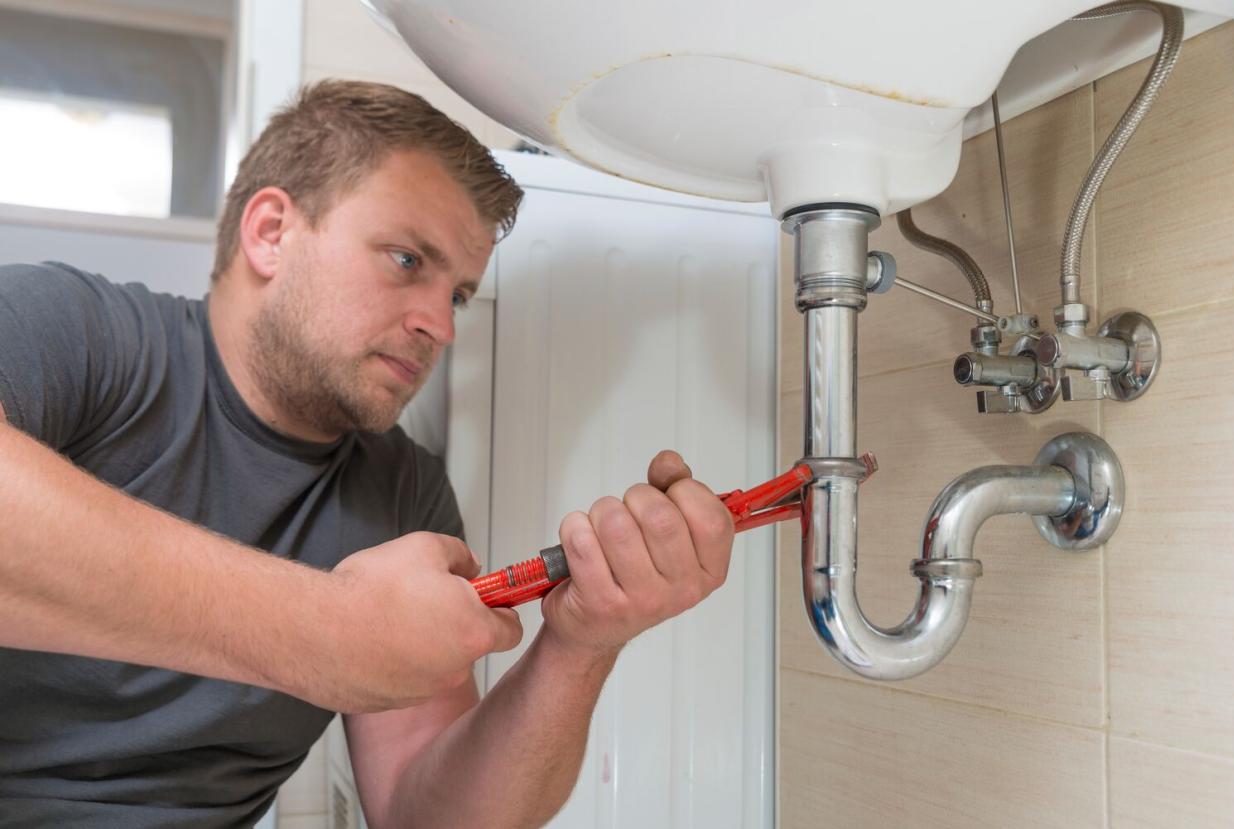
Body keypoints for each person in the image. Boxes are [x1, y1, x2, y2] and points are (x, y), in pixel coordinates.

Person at [0, 80, 735, 828]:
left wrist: (580, 645)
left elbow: (429, 819)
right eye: (408, 259)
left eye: (458, 294)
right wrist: (328, 627)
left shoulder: (404, 493)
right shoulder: (75, 333)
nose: (441, 328)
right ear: (271, 232)